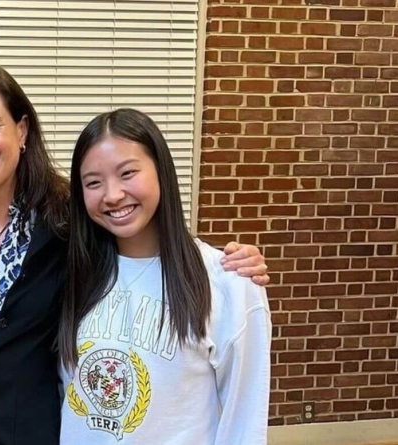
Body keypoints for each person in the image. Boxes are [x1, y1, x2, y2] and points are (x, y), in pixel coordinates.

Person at [0, 61, 269, 445]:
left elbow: (136, 228)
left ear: (22, 129)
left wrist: (226, 262)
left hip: (25, 433)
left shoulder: (65, 224)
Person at [58, 108, 270, 444]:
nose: (112, 195)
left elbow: (244, 421)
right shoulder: (72, 276)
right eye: (93, 182)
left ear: (161, 170)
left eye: (127, 173)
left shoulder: (228, 280)